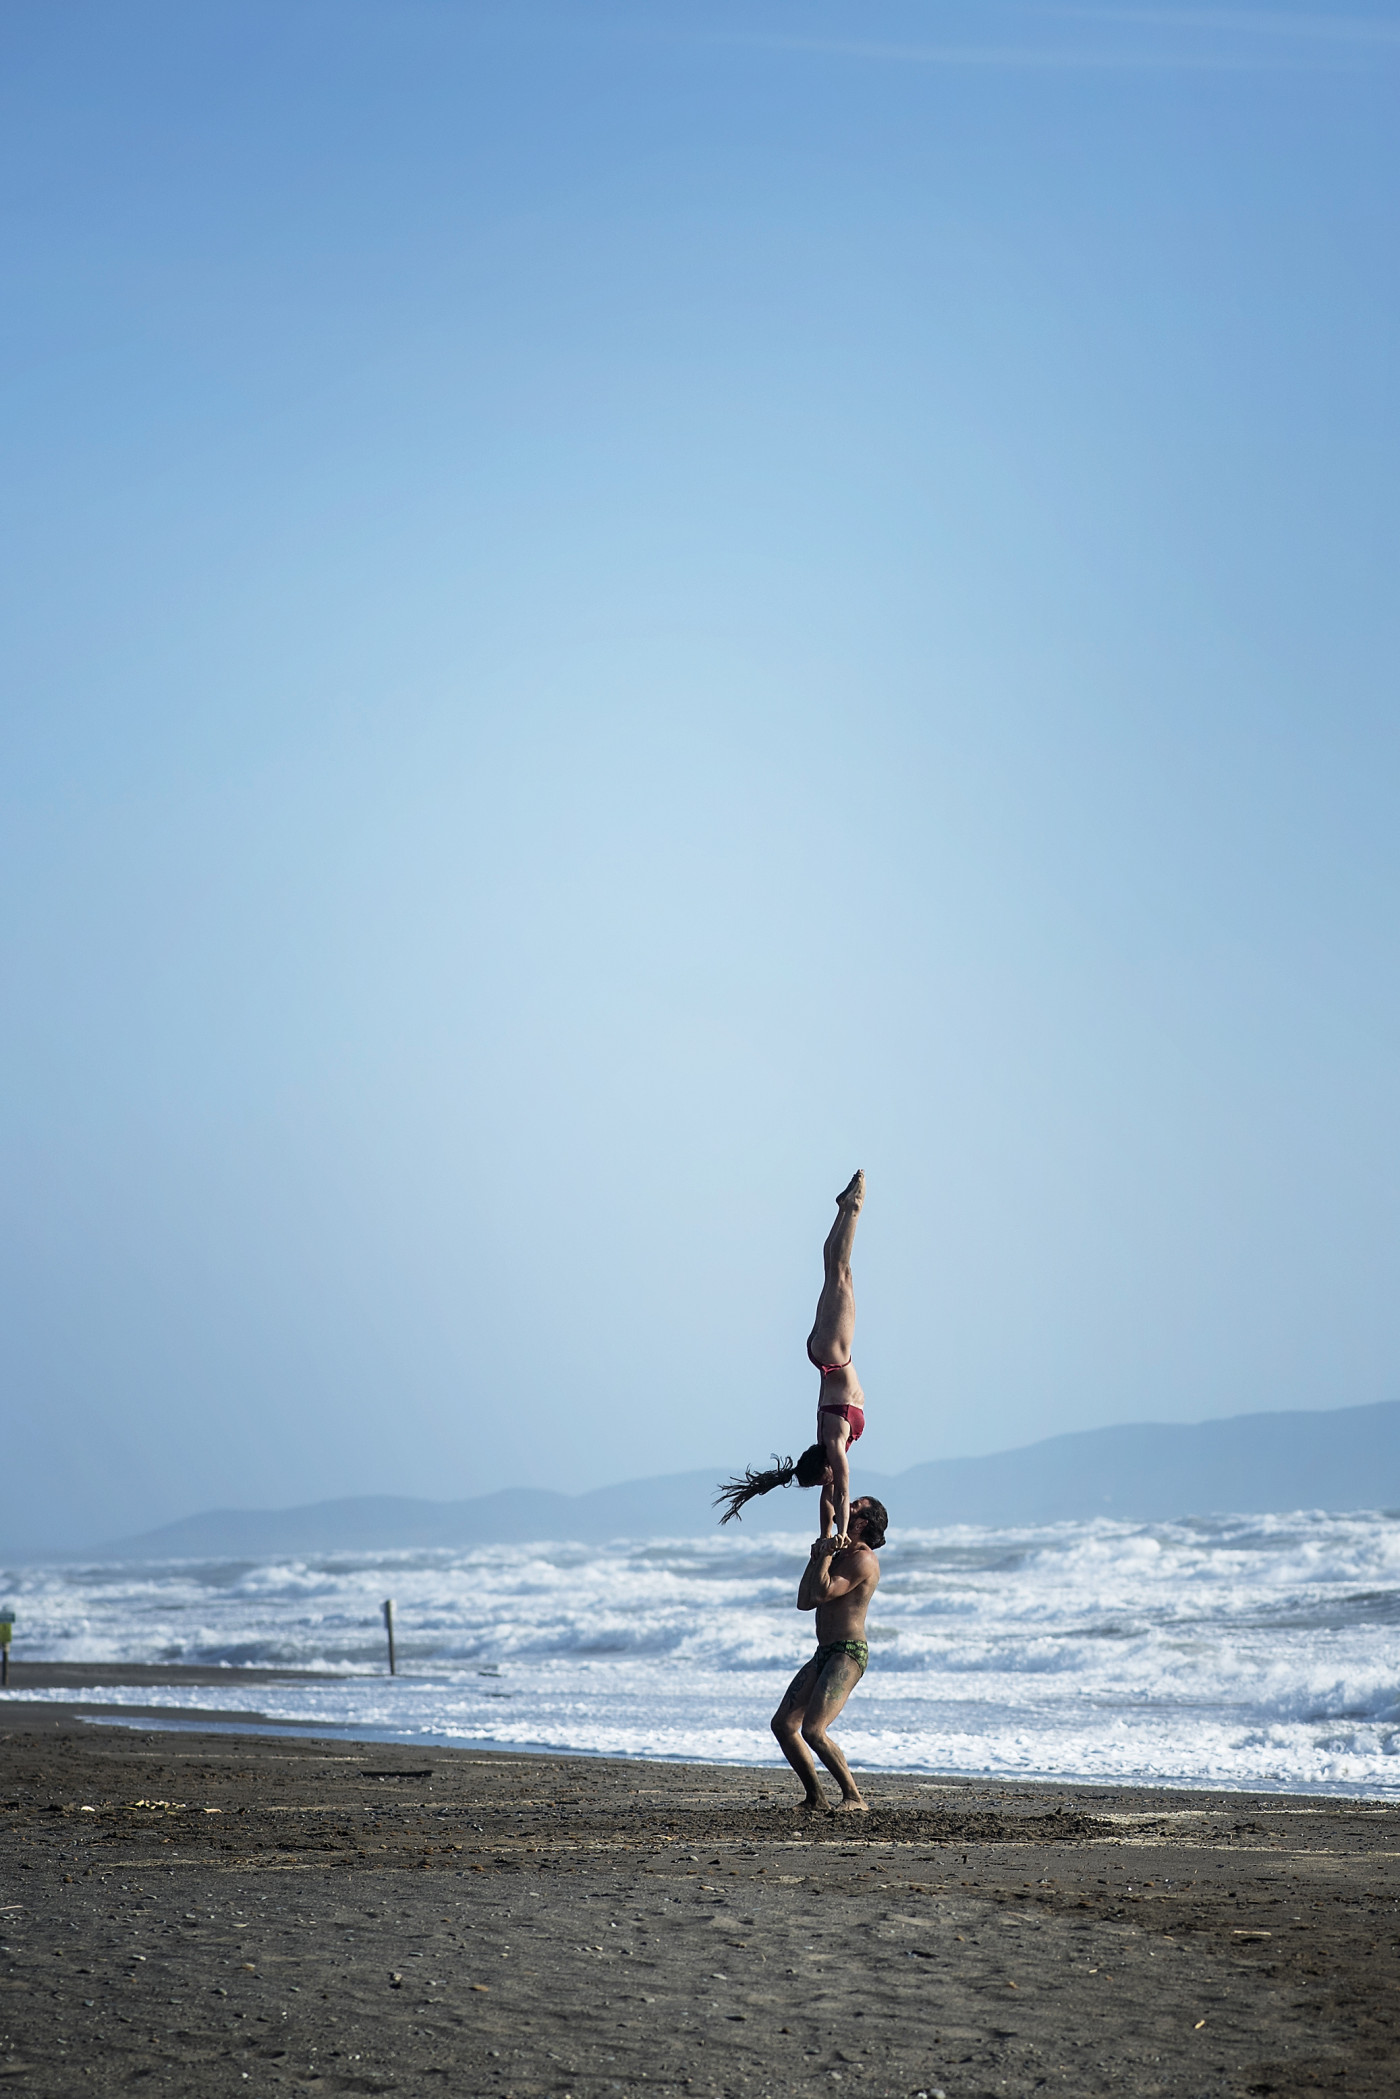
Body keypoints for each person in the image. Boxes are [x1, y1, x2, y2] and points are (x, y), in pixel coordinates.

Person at [715, 1169, 867, 1541]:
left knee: (841, 1274)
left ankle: (853, 1208)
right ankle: (844, 1210)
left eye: (822, 1481)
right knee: (832, 1272)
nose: (826, 1487)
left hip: (834, 1352)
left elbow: (842, 1492)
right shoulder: (826, 1445)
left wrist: (841, 1534)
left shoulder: (834, 1446)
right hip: (824, 1354)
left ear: (825, 1469)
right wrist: (823, 1536)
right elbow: (829, 1499)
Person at [770, 1495, 888, 1812]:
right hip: (824, 1652)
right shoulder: (838, 1553)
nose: (847, 1505)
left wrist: (826, 1555)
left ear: (862, 1522)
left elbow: (823, 1592)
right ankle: (816, 1799)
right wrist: (819, 1555)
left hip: (848, 1653)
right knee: (782, 1724)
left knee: (813, 1730)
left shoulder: (862, 1560)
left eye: (855, 1505)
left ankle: (854, 1798)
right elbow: (804, 1601)